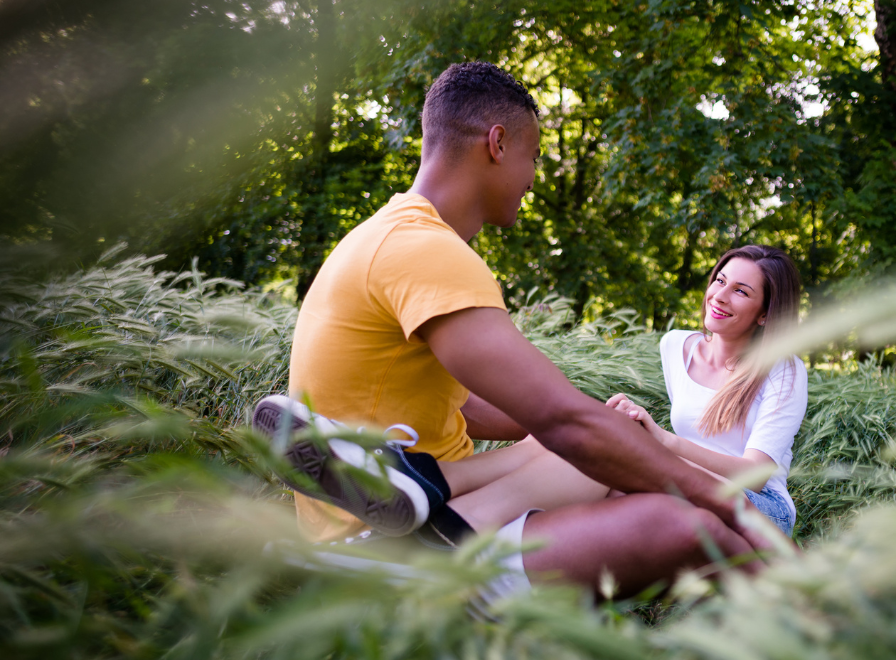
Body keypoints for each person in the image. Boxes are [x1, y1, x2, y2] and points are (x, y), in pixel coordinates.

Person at [255, 61, 773, 602]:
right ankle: (823, 619)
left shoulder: (384, 233)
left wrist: (598, 425)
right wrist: (732, 505)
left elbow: (474, 407)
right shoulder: (427, 251)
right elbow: (566, 424)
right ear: (498, 143)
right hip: (392, 537)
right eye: (534, 155)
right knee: (697, 531)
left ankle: (418, 482)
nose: (532, 177)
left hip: (407, 505)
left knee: (597, 453)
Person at [606, 245, 807, 536]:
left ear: (764, 314)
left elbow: (754, 477)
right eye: (720, 281)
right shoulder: (676, 347)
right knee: (611, 473)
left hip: (759, 505)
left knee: (653, 497)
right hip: (684, 477)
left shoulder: (783, 370)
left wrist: (663, 441)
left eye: (741, 291)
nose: (720, 296)